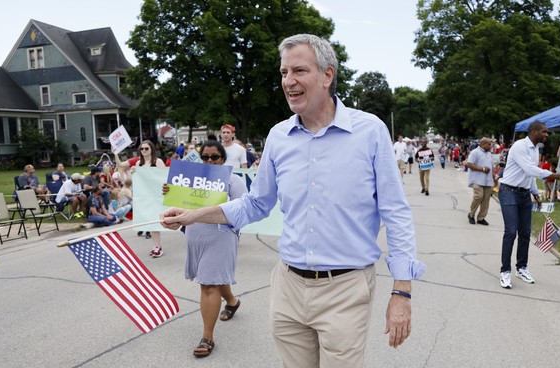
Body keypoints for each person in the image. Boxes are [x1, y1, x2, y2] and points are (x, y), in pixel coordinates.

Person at [160, 34, 426, 367]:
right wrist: (192, 215)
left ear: (327, 76)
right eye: (284, 73)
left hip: (345, 288)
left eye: (299, 71)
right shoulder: (278, 136)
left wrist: (402, 292)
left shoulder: (370, 131)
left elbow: (396, 212)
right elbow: (256, 204)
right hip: (288, 287)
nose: (289, 81)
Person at [163, 140, 247, 357]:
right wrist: (171, 192)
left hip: (221, 236)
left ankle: (207, 338)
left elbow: (242, 211)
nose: (209, 161)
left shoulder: (233, 180)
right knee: (215, 277)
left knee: (209, 284)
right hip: (195, 235)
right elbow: (181, 207)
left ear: (223, 159)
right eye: (205, 157)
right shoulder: (193, 180)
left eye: (214, 157)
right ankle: (232, 301)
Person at [498, 121, 560, 289]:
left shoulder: (535, 150)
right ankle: (505, 271)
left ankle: (522, 267)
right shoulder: (519, 146)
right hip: (508, 192)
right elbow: (530, 170)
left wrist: (534, 192)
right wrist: (559, 176)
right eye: (544, 132)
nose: (547, 135)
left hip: (524, 194)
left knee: (525, 233)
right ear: (534, 132)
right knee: (511, 231)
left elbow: (530, 175)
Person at [136, 140, 166, 257]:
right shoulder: (139, 163)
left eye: (146, 148)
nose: (144, 151)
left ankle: (158, 247)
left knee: (156, 221)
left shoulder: (158, 162)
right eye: (142, 149)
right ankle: (156, 246)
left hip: (157, 195)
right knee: (150, 221)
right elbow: (134, 180)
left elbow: (164, 178)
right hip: (145, 196)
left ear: (151, 149)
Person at [465, 138, 494, 225]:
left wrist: (494, 179)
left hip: (488, 181)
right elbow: (469, 164)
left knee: (486, 200)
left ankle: (481, 218)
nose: (490, 146)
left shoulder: (489, 154)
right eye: (489, 144)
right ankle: (471, 214)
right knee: (478, 196)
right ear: (484, 144)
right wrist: (482, 169)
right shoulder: (475, 152)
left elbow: (491, 167)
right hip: (477, 179)